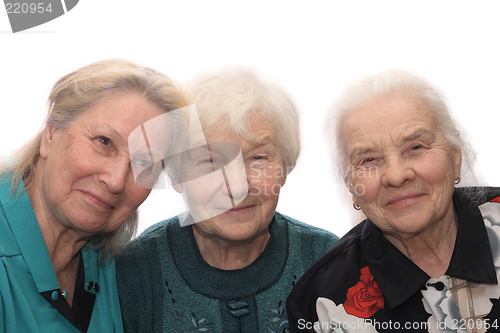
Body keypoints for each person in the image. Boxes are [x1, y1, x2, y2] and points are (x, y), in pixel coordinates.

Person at [116, 67, 339, 333]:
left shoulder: (330, 262)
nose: (237, 186)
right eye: (210, 161)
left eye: (257, 158)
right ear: (176, 175)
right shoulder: (134, 274)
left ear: (285, 166)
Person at [286, 69, 500, 332]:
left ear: (455, 157)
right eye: (369, 160)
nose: (397, 176)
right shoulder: (322, 303)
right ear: (351, 186)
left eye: (416, 147)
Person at [0, 59, 189, 332]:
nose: (115, 181)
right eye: (104, 142)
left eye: (144, 164)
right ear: (51, 133)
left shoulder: (122, 264)